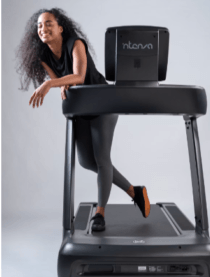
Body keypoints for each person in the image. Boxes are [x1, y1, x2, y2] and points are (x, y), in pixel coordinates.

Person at [15, 8, 151, 231]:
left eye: (48, 23)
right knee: (87, 161)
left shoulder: (75, 43)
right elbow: (61, 82)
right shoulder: (43, 56)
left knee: (102, 159)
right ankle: (134, 191)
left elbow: (77, 77)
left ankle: (100, 214)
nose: (43, 29)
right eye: (39, 26)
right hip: (82, 108)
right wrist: (56, 83)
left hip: (103, 103)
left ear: (60, 27)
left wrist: (49, 84)